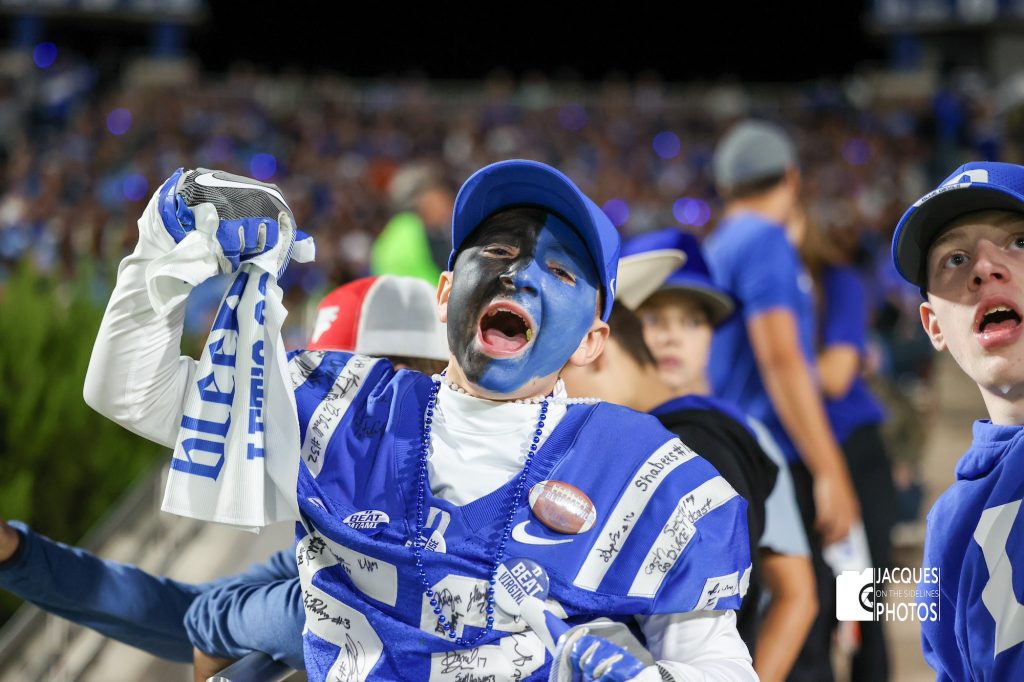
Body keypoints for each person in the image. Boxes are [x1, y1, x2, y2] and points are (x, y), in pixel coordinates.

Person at [84, 161, 758, 681]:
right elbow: (130, 391)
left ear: (591, 341)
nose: (519, 274)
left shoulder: (645, 471)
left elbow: (721, 666)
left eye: (558, 270)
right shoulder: (339, 407)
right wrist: (165, 245)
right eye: (495, 253)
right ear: (444, 294)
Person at [0, 274, 449, 676]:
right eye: (323, 386)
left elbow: (225, 616)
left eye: (347, 383)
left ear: (415, 376)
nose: (323, 412)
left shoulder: (455, 530)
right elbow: (180, 615)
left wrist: (221, 620)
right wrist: (18, 556)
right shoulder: (338, 530)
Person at [565, 229, 816, 682]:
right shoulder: (723, 432)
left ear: (601, 347)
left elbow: (787, 595)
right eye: (655, 319)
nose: (670, 338)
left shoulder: (679, 448)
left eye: (691, 322)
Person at [703, 120, 860, 681]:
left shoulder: (721, 241)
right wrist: (829, 467)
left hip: (730, 454)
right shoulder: (765, 239)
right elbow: (781, 359)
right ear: (791, 177)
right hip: (772, 459)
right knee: (809, 629)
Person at [891, 161, 1024, 680]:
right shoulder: (949, 521)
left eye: (1019, 242)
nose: (985, 267)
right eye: (956, 257)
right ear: (933, 326)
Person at [793, 205, 898, 681]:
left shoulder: (838, 282)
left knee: (862, 606)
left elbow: (835, 377)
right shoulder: (751, 292)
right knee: (806, 611)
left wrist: (768, 371)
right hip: (791, 465)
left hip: (853, 457)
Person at [370, 162, 455, 283]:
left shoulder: (398, 231)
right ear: (424, 200)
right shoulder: (411, 234)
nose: (449, 200)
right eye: (440, 193)